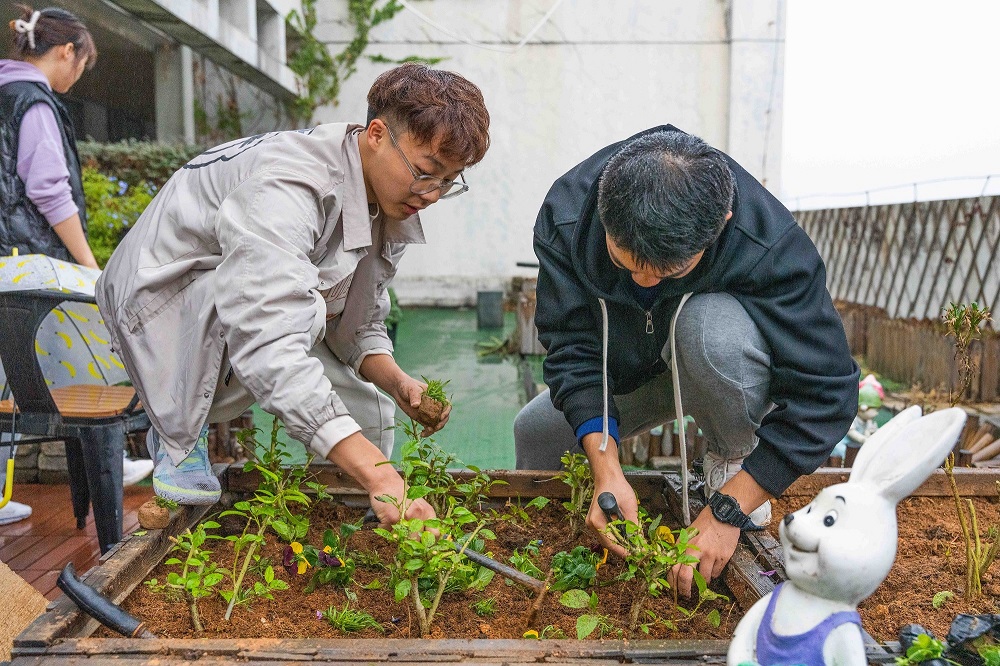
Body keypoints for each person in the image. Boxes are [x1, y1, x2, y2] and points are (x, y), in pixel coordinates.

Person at [96, 63, 491, 527]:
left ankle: (348, 533)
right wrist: (380, 477)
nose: (433, 195)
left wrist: (399, 383)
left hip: (246, 300)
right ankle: (177, 432)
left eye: (449, 181)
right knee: (292, 317)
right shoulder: (287, 186)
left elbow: (357, 320)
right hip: (160, 303)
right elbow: (268, 335)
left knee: (368, 417)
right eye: (426, 173)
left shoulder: (391, 201)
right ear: (377, 135)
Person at [513, 125, 858, 597]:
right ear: (603, 214)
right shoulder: (568, 215)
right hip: (633, 371)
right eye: (625, 262)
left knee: (706, 327)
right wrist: (607, 468)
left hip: (721, 366)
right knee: (535, 431)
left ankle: (731, 461)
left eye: (669, 271)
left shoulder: (769, 243)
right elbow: (572, 345)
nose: (644, 282)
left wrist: (728, 509)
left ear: (721, 224)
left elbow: (828, 392)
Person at [0, 5, 151, 526]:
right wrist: (89, 265)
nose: (79, 75)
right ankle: (109, 448)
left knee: (7, 377)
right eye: (83, 64)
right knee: (80, 335)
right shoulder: (33, 102)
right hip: (22, 258)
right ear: (67, 51)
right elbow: (48, 190)